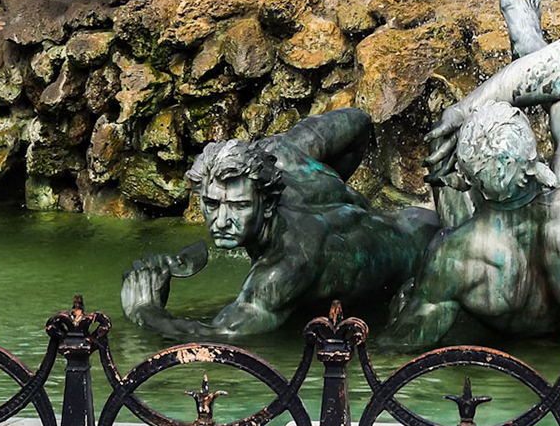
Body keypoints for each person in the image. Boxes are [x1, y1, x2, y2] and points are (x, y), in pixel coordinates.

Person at [384, 0, 560, 346]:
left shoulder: (452, 256)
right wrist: (468, 109)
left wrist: (408, 299)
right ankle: (534, 48)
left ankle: (530, 49)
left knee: (443, 181)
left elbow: (397, 348)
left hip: (511, 315)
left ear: (469, 181)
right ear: (537, 160)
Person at [119, 109, 435, 341]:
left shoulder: (285, 266)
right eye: (212, 204)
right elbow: (358, 122)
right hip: (412, 221)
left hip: (424, 262)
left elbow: (222, 335)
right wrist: (338, 192)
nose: (222, 220)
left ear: (268, 203)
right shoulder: (283, 156)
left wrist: (147, 310)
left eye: (240, 206)